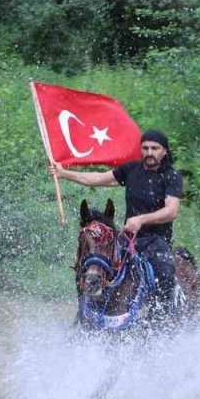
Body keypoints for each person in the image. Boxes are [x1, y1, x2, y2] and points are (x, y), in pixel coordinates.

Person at [52, 130, 183, 313]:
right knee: (90, 262)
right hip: (128, 239)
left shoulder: (171, 177)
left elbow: (172, 211)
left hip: (158, 242)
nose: (150, 152)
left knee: (165, 274)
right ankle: (84, 315)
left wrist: (141, 219)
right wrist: (63, 173)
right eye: (145, 148)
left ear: (164, 151)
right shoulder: (131, 170)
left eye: (155, 148)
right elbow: (98, 178)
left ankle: (160, 321)